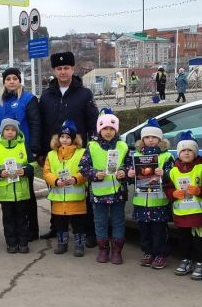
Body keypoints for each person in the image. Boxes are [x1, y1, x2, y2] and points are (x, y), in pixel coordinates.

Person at [38, 51, 98, 242]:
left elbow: (92, 122)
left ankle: (87, 232)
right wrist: (40, 152)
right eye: (59, 68)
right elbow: (41, 125)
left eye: (66, 68)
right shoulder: (47, 96)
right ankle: (56, 228)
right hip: (55, 154)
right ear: (54, 71)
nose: (63, 72)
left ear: (73, 69)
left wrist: (92, 150)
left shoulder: (84, 94)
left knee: (81, 193)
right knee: (55, 191)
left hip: (78, 154)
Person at [0, 67, 41, 241]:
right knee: (8, 197)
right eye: (8, 79)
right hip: (3, 155)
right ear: (4, 82)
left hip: (22, 152)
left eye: (15, 78)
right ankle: (13, 233)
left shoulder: (28, 99)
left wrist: (34, 149)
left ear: (20, 81)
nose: (12, 81)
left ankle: (31, 230)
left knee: (26, 194)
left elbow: (36, 124)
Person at [79, 108, 129, 265]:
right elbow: (83, 166)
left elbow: (129, 165)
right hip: (98, 193)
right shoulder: (92, 146)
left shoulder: (123, 146)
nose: (108, 132)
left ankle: (116, 250)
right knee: (100, 221)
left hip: (118, 193)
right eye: (105, 128)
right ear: (99, 130)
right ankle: (103, 249)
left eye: (111, 128)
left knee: (118, 221)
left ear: (116, 130)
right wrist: (94, 173)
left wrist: (124, 172)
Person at [127, 118, 174, 269]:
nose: (150, 140)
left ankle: (160, 255)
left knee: (159, 231)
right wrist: (131, 174)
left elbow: (173, 177)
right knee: (144, 230)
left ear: (160, 139)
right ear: (142, 140)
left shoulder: (166, 156)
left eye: (154, 137)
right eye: (147, 137)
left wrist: (164, 173)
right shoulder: (136, 156)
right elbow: (130, 178)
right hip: (141, 201)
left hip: (158, 202)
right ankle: (148, 252)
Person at [166, 132, 202, 280]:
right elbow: (168, 188)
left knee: (200, 241)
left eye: (190, 150)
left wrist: (200, 190)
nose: (186, 153)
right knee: (184, 240)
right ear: (178, 153)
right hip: (181, 215)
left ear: (195, 152)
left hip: (198, 214)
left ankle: (201, 263)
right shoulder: (173, 171)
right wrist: (173, 194)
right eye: (183, 150)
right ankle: (186, 260)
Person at [0, 118, 34, 254]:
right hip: (5, 192)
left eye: (13, 130)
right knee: (8, 219)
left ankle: (23, 243)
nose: (10, 132)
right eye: (7, 129)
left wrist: (25, 171)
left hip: (21, 191)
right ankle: (11, 243)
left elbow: (33, 164)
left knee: (22, 218)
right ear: (2, 131)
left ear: (17, 132)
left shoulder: (23, 146)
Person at [43, 120, 88, 257]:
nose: (65, 139)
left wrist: (75, 179)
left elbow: (85, 171)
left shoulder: (82, 153)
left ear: (74, 139)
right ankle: (62, 243)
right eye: (62, 136)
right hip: (58, 197)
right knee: (60, 223)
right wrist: (55, 181)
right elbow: (46, 172)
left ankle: (79, 245)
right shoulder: (51, 154)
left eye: (68, 137)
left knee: (78, 223)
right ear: (58, 138)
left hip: (76, 197)